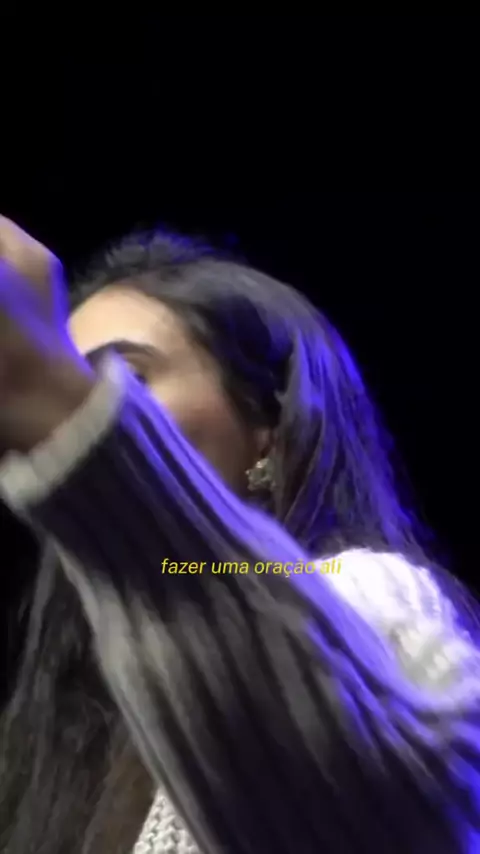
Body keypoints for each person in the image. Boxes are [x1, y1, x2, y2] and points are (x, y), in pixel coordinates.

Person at [0, 215, 478, 854]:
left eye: (129, 382)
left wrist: (62, 404)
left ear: (269, 423)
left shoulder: (360, 596)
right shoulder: (64, 718)